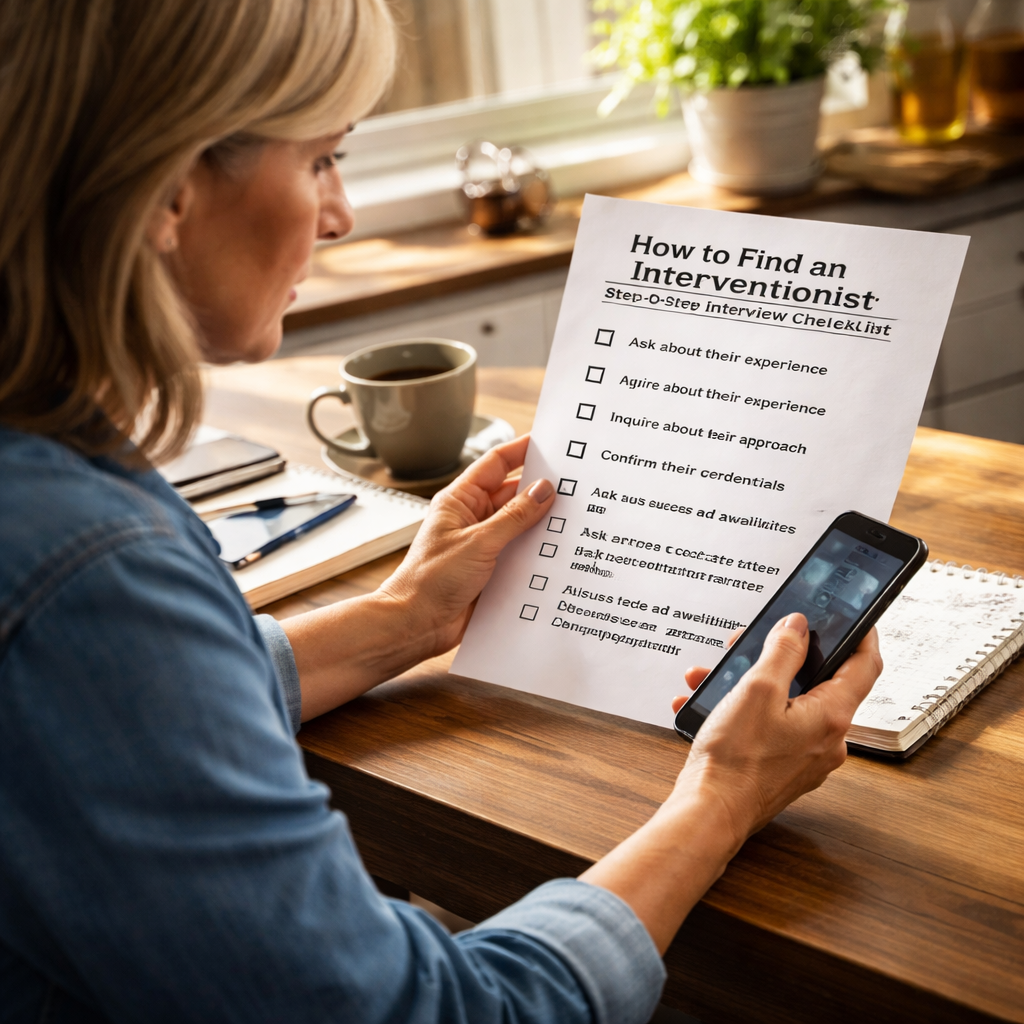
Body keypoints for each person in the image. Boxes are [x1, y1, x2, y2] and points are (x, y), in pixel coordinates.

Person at [0, 1, 883, 1021]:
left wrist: (404, 618)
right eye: (321, 159)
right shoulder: (92, 568)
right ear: (168, 185)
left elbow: (113, 717)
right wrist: (722, 798)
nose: (340, 216)